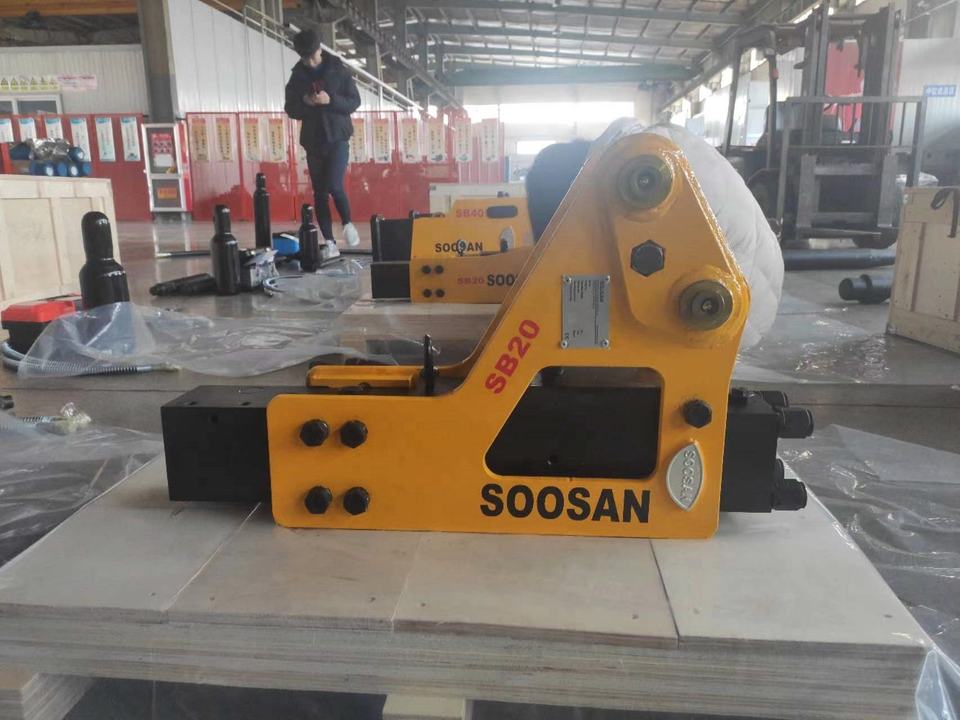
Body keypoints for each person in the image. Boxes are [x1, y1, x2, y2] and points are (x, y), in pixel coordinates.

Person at [284, 29, 362, 247]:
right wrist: (306, 102)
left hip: (338, 138)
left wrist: (331, 100)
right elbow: (290, 108)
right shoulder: (297, 77)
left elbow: (354, 101)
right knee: (319, 193)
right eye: (305, 58)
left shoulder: (338, 70)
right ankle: (329, 242)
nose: (309, 62)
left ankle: (347, 223)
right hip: (313, 141)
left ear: (320, 49)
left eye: (312, 56)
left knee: (335, 186)